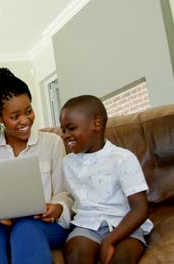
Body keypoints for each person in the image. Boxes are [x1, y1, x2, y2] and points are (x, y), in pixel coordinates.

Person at [0, 68, 73, 264]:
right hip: (1, 224)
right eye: (15, 116)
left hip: (43, 225)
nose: (25, 120)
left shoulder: (52, 143)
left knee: (26, 227)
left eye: (28, 111)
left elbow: (64, 191)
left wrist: (58, 208)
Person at [59, 95, 153, 264]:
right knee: (75, 254)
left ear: (96, 124)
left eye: (71, 128)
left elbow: (140, 209)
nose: (66, 135)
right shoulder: (67, 163)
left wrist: (109, 241)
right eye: (63, 130)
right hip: (86, 225)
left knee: (121, 257)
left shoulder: (123, 158)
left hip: (124, 225)